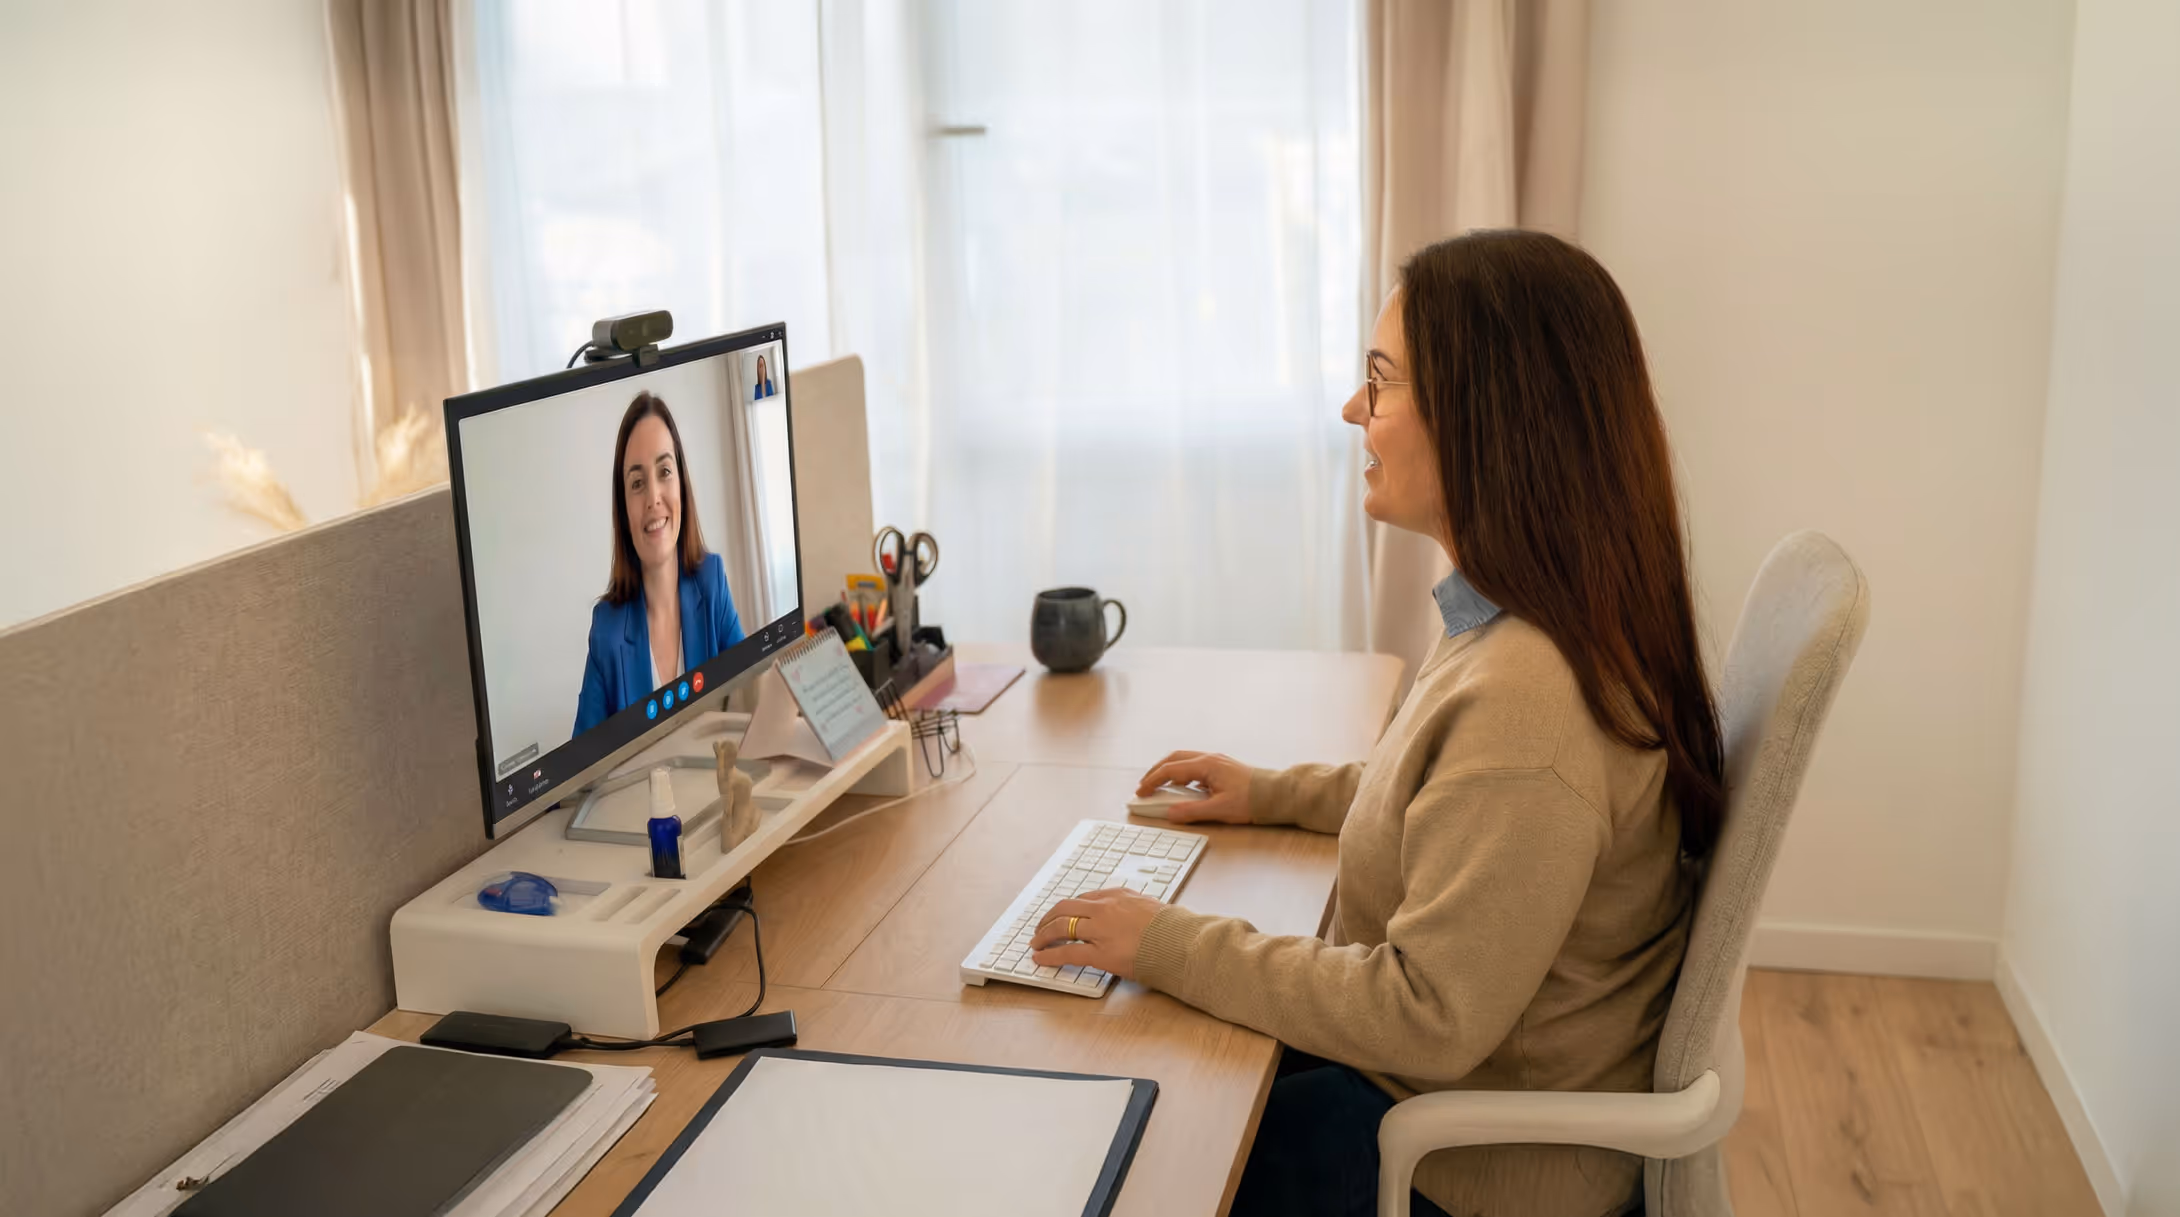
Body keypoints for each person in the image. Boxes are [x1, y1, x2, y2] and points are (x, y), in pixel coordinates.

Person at [1029, 230, 1723, 1217]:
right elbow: (1443, 801)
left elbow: (1425, 1011)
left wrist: (1163, 942)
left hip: (1461, 1162)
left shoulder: (1530, 699)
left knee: (1127, 1139)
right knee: (1158, 1067)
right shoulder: (1526, 614)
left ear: (1486, 419)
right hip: (1456, 1099)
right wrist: (1270, 791)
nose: (1353, 409)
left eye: (1380, 382)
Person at [574, 391, 744, 734]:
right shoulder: (607, 631)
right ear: (623, 511)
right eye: (637, 483)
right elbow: (582, 775)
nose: (653, 497)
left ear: (681, 484)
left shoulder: (712, 583)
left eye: (665, 471)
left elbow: (752, 697)